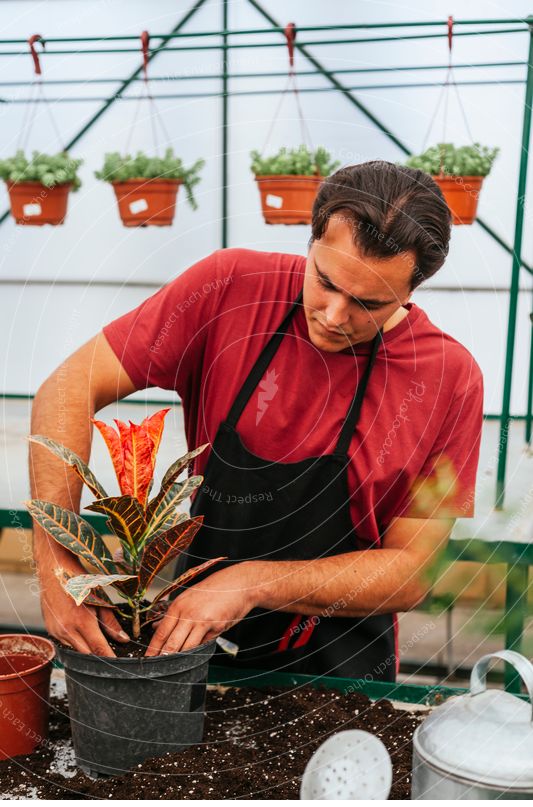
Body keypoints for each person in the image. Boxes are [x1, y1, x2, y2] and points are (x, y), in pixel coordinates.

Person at [30, 160, 483, 680]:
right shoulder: (229, 290)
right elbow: (68, 388)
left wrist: (250, 583)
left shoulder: (448, 377)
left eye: (367, 303)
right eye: (325, 281)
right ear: (310, 243)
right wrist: (59, 565)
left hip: (340, 667)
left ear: (411, 292)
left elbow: (412, 571)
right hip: (188, 644)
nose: (334, 316)